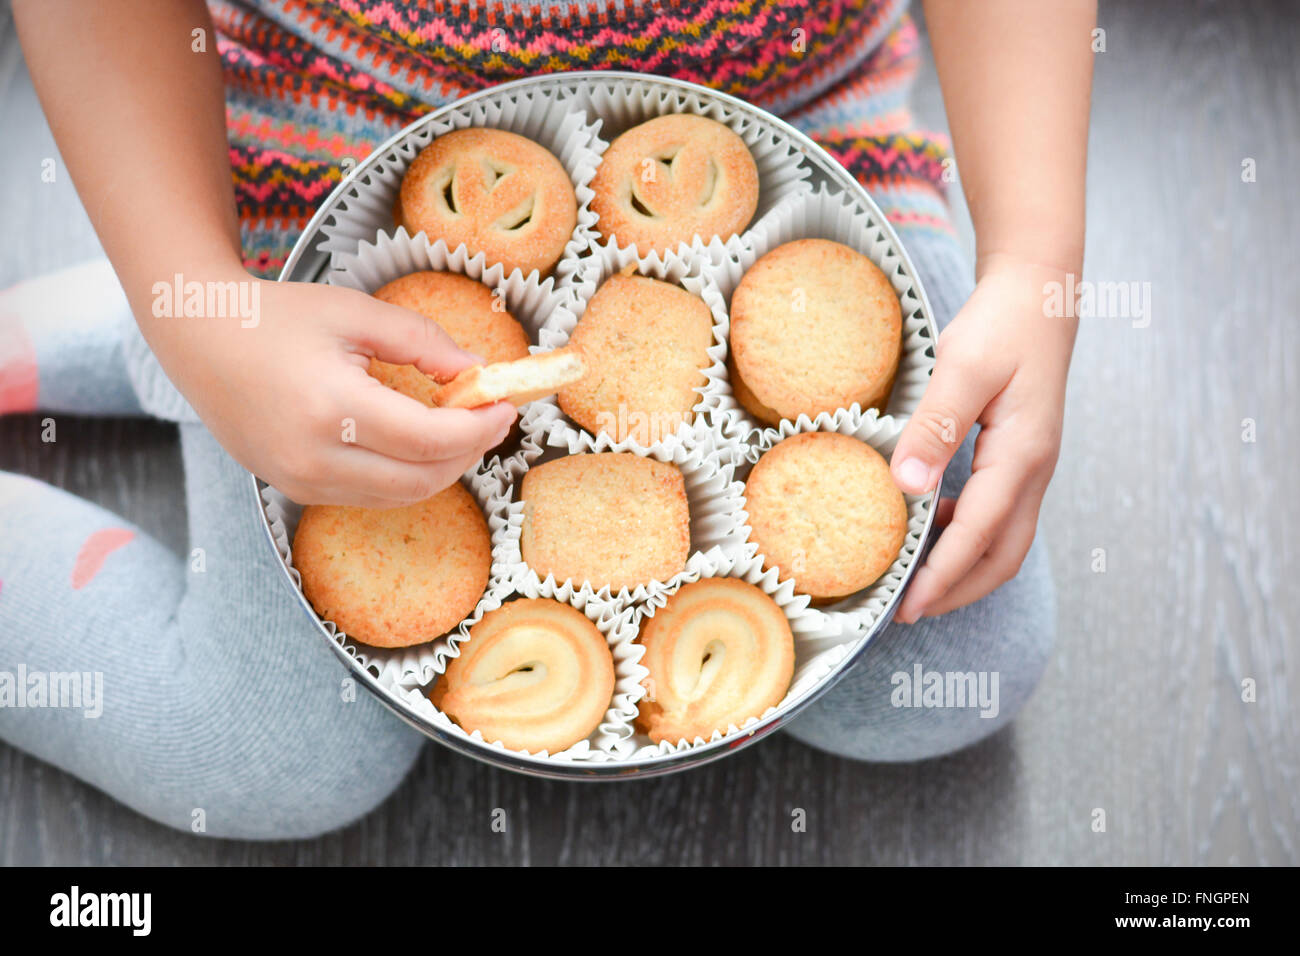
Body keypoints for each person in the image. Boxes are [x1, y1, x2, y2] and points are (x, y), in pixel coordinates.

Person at [0, 0, 1093, 839]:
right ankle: (163, 325)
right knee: (271, 751)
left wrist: (1035, 258)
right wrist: (195, 295)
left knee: (955, 666)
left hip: (806, 139)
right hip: (318, 151)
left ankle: (145, 327)